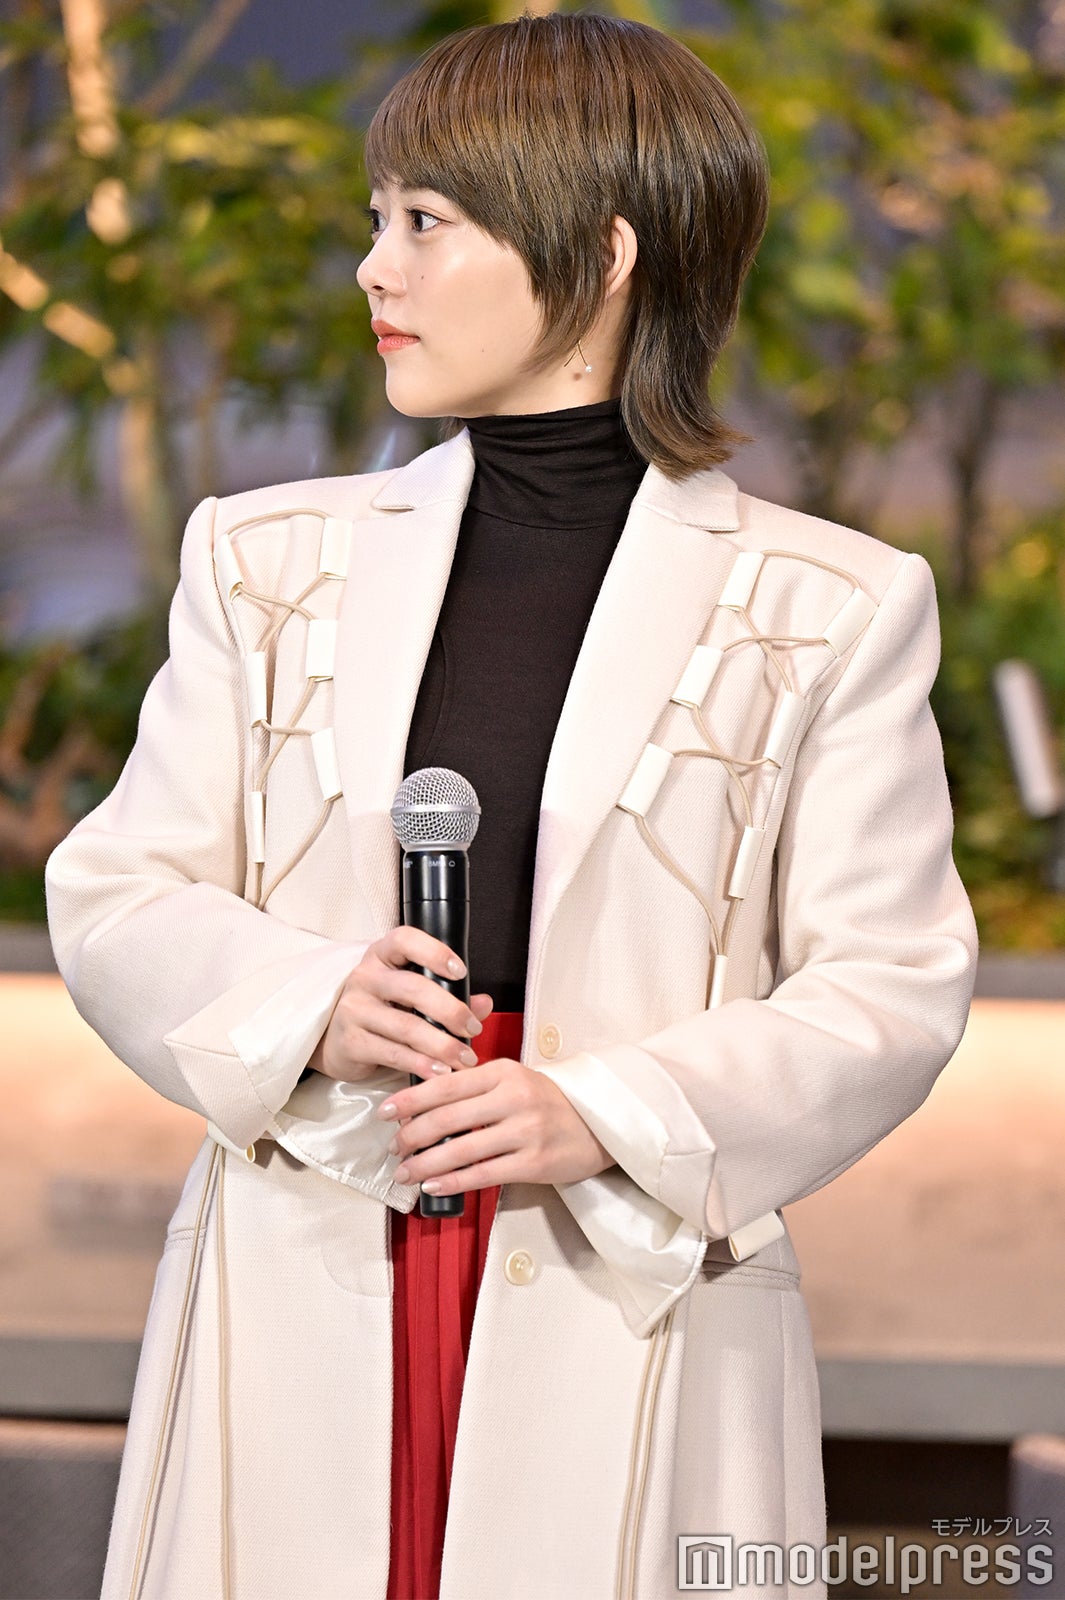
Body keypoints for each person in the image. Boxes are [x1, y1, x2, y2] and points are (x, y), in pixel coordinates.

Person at [45, 12, 978, 1600]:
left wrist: (603, 1111)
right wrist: (310, 1000)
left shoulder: (826, 604)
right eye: (376, 219)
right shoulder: (264, 563)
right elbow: (119, 885)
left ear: (602, 255)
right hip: (311, 1250)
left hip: (627, 1267)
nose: (373, 269)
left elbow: (890, 982)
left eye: (426, 222)